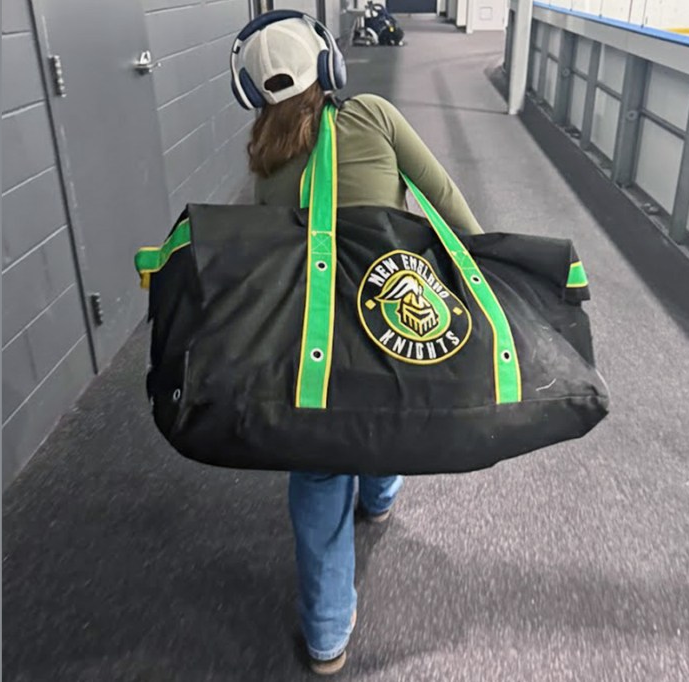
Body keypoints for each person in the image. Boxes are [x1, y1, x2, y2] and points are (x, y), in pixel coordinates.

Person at [231, 9, 483, 675]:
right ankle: (379, 496)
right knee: (381, 411)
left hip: (309, 348)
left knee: (317, 468)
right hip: (384, 333)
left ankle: (325, 639)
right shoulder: (370, 113)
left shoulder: (264, 153)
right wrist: (489, 273)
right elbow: (444, 197)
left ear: (254, 91)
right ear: (329, 65)